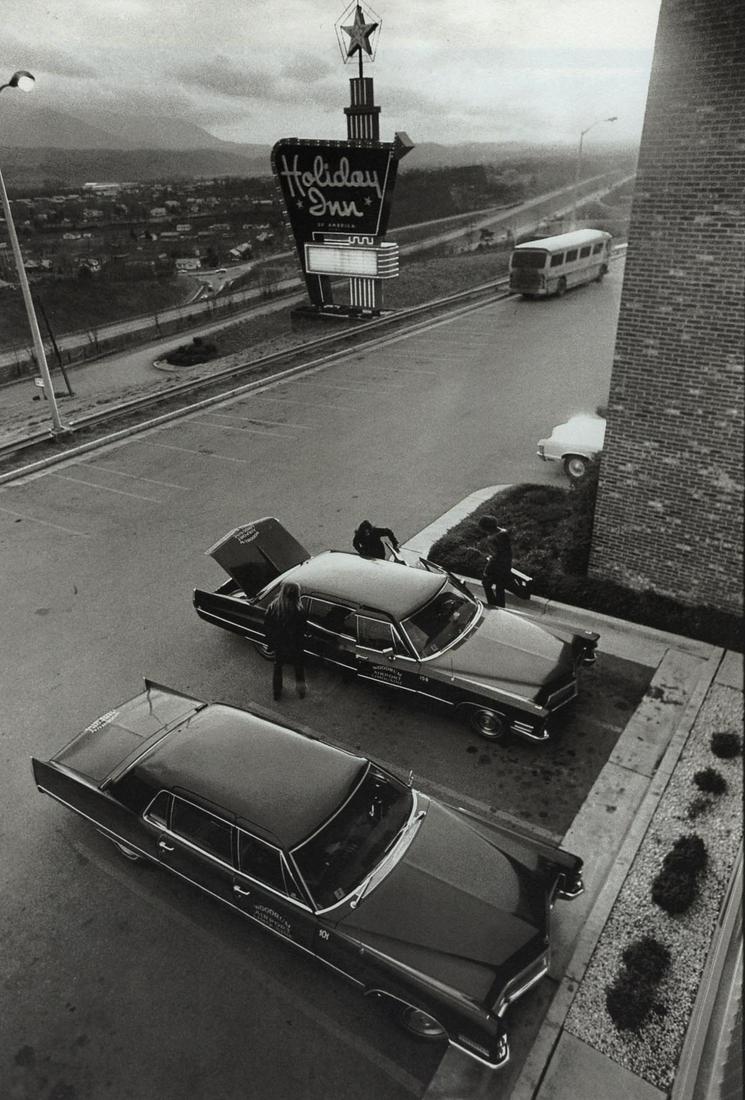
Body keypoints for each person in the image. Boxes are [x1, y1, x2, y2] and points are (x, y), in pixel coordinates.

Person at [263, 581, 307, 701]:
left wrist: (271, 642)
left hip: (279, 644)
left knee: (278, 668)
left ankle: (277, 693)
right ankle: (301, 691)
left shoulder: (273, 606)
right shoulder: (299, 610)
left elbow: (267, 626)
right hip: (294, 645)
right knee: (298, 668)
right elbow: (302, 630)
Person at [476, 515, 513, 608]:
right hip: (506, 564)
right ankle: (500, 606)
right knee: (500, 588)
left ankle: (492, 604)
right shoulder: (503, 532)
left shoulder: (493, 538)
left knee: (486, 583)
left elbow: (495, 556)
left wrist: (487, 569)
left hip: (497, 566)